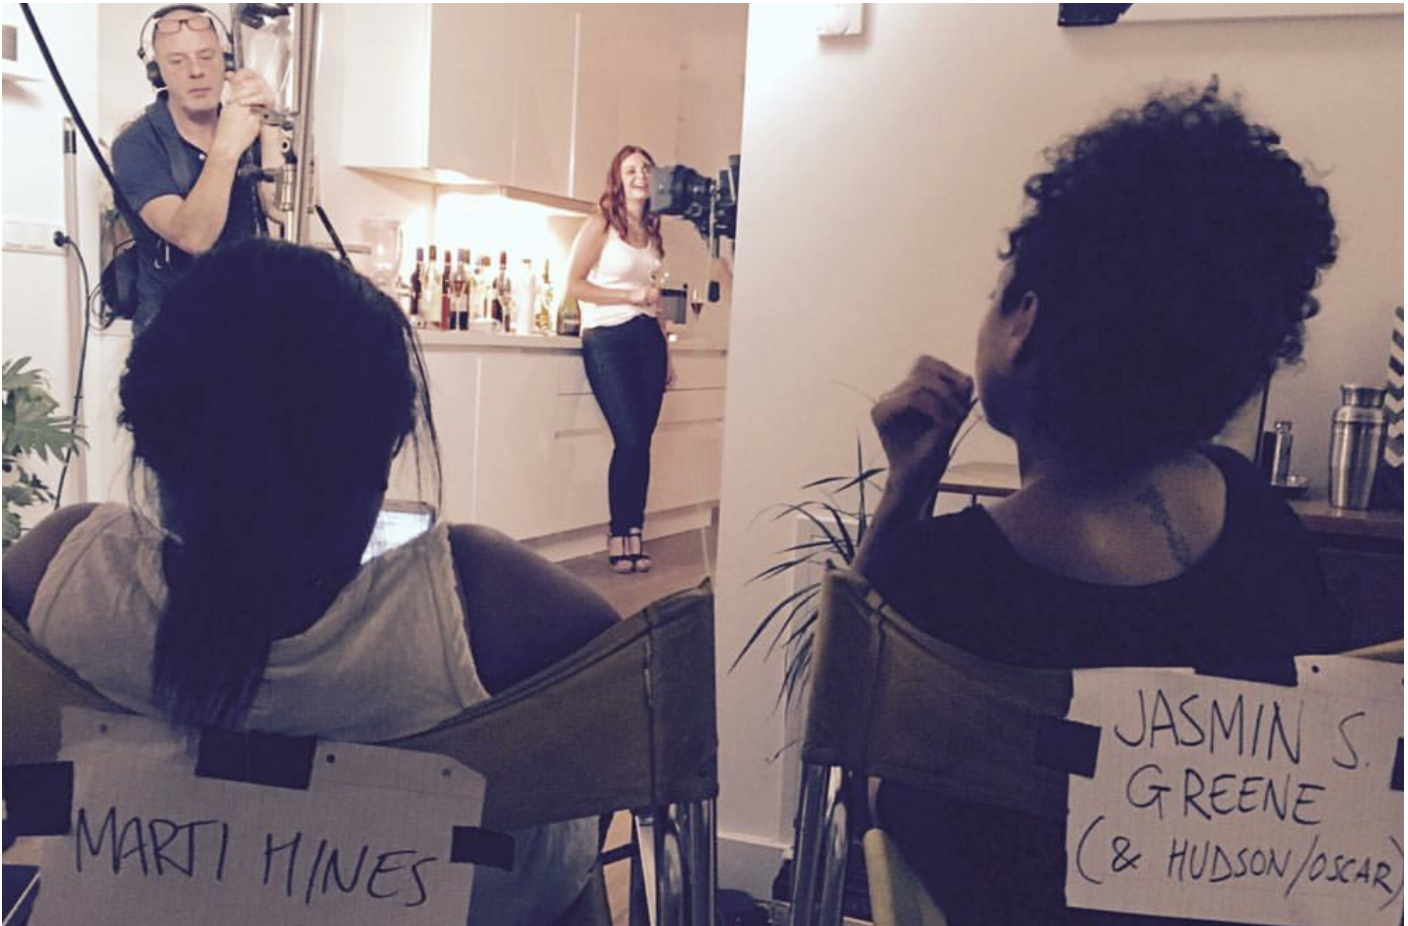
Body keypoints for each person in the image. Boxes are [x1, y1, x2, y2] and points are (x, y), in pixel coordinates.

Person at [2, 240, 619, 925]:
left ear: (149, 444)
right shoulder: (487, 603)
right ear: (385, 452)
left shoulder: (63, 572)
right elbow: (636, 707)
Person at [853, 83, 1344, 924]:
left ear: (1025, 323)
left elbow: (842, 742)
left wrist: (907, 488)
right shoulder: (1265, 526)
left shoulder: (943, 579)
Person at [112, 4, 283, 333]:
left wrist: (270, 125)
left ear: (226, 63)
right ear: (157, 72)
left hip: (249, 322)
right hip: (172, 333)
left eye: (206, 57)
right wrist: (226, 148)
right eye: (177, 61)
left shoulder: (249, 124)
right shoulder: (136, 145)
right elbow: (193, 237)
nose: (196, 71)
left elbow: (280, 210)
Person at [565, 144, 677, 574]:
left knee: (642, 444)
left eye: (646, 168)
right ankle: (617, 533)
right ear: (618, 177)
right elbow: (574, 283)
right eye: (630, 169)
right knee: (629, 439)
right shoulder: (600, 224)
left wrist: (667, 352)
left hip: (648, 338)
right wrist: (628, 295)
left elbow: (657, 301)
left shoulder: (651, 230)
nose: (640, 176)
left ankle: (635, 531)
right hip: (607, 339)